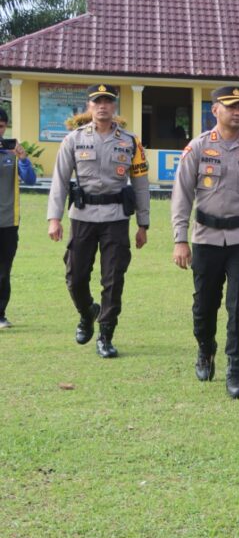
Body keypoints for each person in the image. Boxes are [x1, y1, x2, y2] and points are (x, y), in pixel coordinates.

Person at [171, 86, 239, 399]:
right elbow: (181, 196)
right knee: (205, 304)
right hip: (206, 238)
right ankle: (206, 349)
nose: (238, 112)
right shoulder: (198, 148)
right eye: (231, 106)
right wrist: (180, 239)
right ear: (215, 110)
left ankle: (236, 370)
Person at [47, 84, 150, 358]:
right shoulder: (74, 139)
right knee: (75, 276)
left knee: (113, 278)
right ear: (89, 106)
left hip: (116, 218)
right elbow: (59, 180)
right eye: (97, 101)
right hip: (82, 217)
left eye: (108, 101)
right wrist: (53, 219)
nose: (103, 106)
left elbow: (140, 183)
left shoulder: (130, 142)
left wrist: (143, 224)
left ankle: (105, 334)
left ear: (114, 106)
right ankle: (86, 312)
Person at [0, 111, 39, 329]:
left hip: (8, 222)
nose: (0, 130)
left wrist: (23, 158)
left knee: (3, 271)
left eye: (2, 126)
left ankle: (0, 314)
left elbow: (31, 181)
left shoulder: (12, 153)